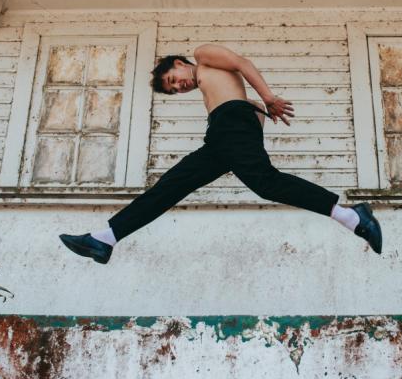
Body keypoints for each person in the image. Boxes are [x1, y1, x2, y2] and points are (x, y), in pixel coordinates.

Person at [59, 44, 382, 264]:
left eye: (174, 80)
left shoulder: (203, 55)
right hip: (223, 132)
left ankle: (352, 216)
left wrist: (267, 98)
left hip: (230, 126)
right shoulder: (212, 87)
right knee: (170, 186)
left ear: (180, 62)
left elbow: (242, 63)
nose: (179, 87)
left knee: (266, 184)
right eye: (173, 90)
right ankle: (106, 238)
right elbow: (239, 102)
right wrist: (253, 115)